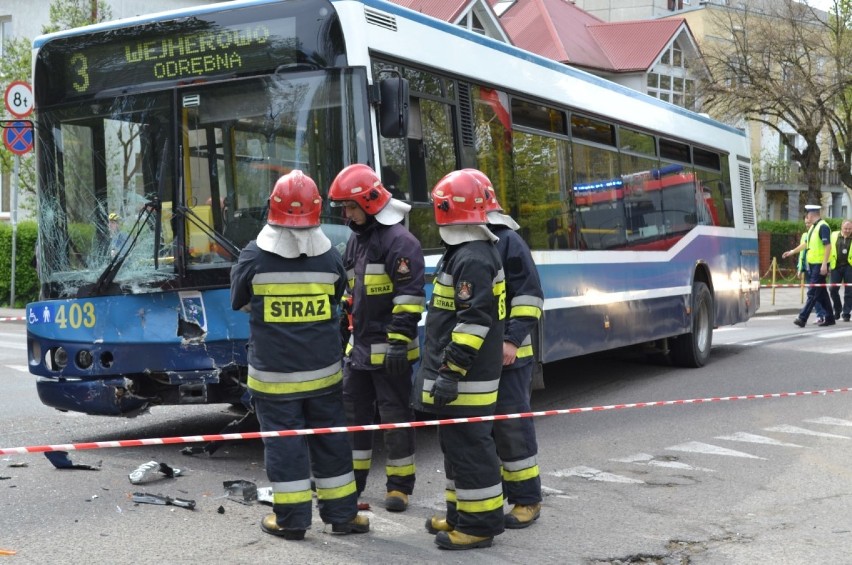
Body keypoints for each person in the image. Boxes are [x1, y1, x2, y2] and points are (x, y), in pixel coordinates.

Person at [230, 170, 369, 540]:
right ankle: (342, 517)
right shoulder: (330, 259)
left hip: (274, 379)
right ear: (317, 210)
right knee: (331, 442)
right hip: (323, 375)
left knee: (285, 447)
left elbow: (238, 301)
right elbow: (338, 296)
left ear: (271, 209)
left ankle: (291, 522)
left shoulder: (253, 255)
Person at [415, 170, 506, 550]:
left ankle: (479, 525)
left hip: (466, 377)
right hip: (462, 375)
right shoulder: (466, 253)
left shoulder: (471, 258)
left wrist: (450, 371)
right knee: (455, 446)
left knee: (470, 447)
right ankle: (459, 515)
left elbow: (473, 322)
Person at [328, 163, 425, 513]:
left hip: (392, 353)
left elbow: (409, 298)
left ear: (369, 202)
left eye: (350, 206)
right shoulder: (357, 240)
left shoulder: (401, 243)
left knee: (395, 419)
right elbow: (352, 291)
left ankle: (399, 488)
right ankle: (352, 487)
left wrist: (399, 343)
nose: (346, 214)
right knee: (354, 420)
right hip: (360, 351)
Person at [465, 169, 545, 530]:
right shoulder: (469, 242)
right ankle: (492, 498)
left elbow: (529, 297)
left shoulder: (508, 240)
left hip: (511, 357)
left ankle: (527, 499)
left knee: (512, 430)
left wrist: (512, 340)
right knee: (484, 434)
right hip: (480, 359)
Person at [782, 204, 835, 327]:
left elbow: (828, 246)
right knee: (821, 292)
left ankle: (802, 318)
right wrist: (792, 252)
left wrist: (824, 265)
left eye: (807, 215)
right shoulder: (813, 228)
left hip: (819, 265)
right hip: (813, 265)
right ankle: (830, 317)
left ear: (811, 215)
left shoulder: (823, 227)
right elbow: (806, 244)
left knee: (812, 291)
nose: (807, 218)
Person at [829, 220, 852, 322]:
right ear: (841, 227)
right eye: (845, 228)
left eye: (850, 229)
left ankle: (846, 313)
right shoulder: (834, 235)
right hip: (836, 266)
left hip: (849, 266)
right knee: (833, 289)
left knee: (849, 291)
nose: (847, 231)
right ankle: (837, 309)